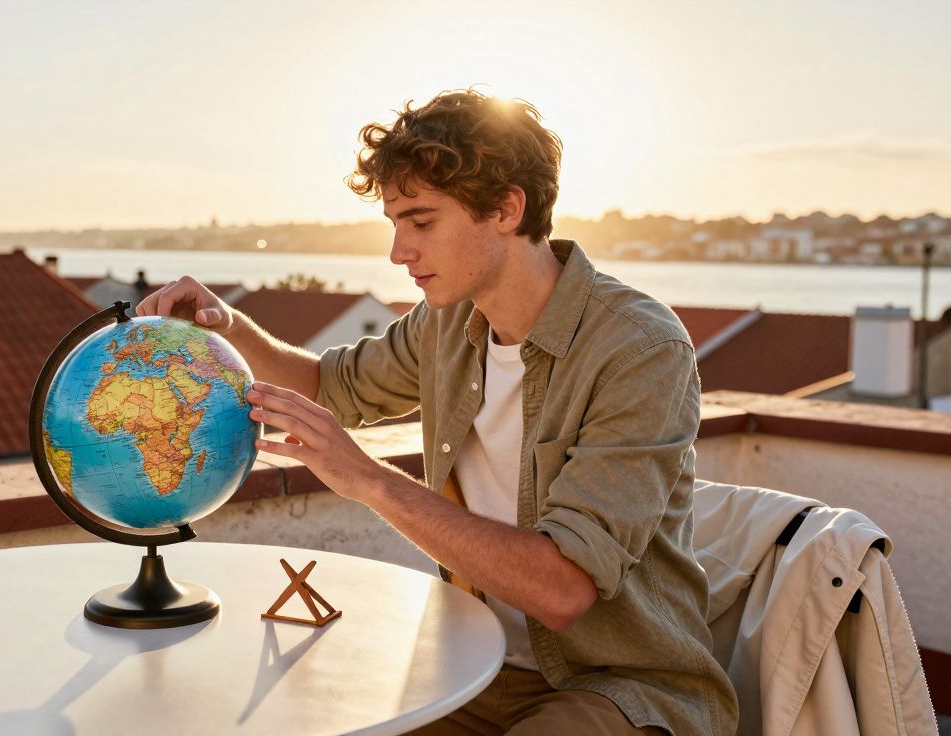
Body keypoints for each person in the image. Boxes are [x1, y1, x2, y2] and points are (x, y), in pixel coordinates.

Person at [137, 89, 737, 735]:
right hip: (474, 660)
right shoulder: (446, 321)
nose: (399, 252)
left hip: (617, 685)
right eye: (395, 224)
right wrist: (227, 325)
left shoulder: (640, 349)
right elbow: (329, 385)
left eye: (421, 222)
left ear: (506, 209)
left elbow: (563, 589)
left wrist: (368, 479)